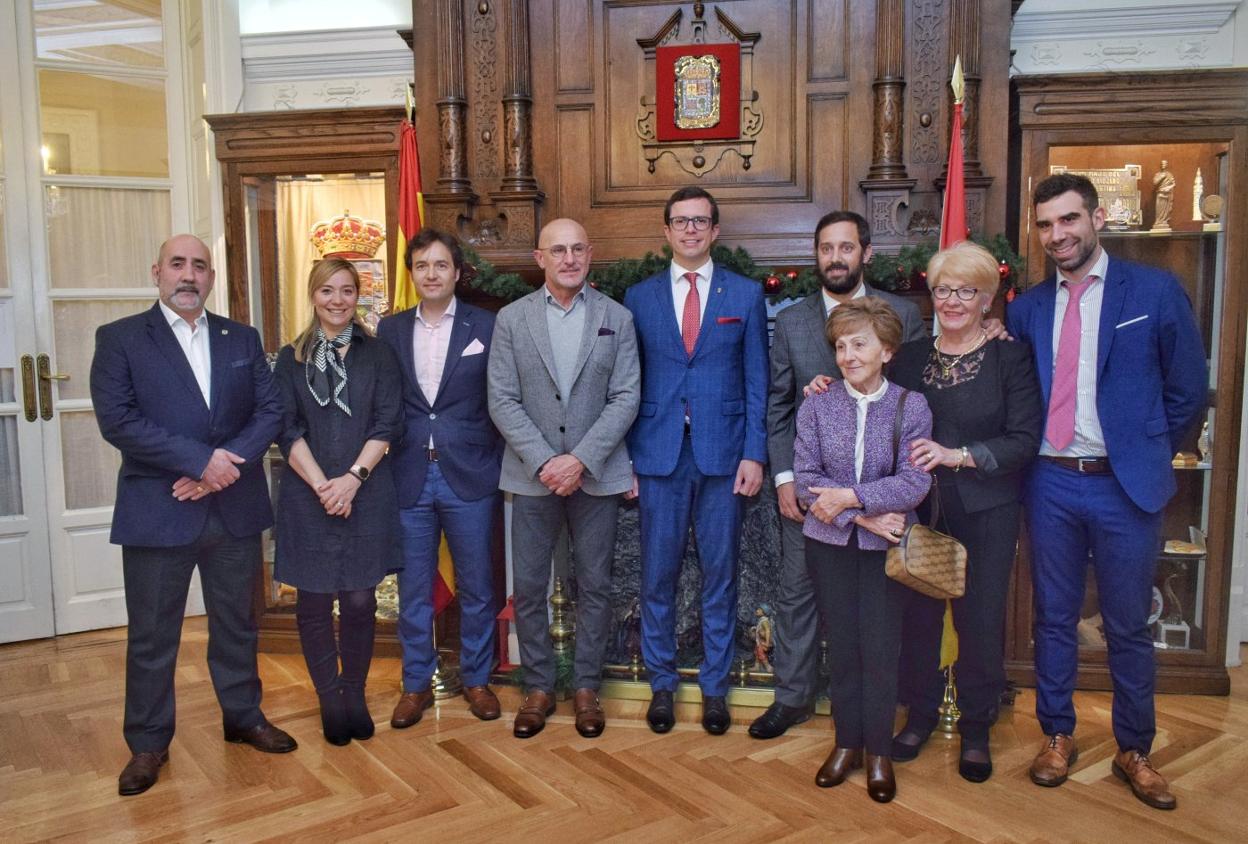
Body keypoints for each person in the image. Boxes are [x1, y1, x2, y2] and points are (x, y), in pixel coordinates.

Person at [1008, 173, 1205, 810]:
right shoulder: (1029, 308)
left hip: (1125, 486)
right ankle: (1057, 736)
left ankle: (1134, 749)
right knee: (1055, 619)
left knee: (1127, 625)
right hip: (1051, 482)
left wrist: (1144, 448)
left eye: (1068, 220)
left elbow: (1187, 390)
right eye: (1046, 225)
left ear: (1095, 219)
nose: (1057, 235)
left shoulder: (1152, 289)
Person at [90, 235, 295, 797]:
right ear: (157, 271)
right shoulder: (121, 339)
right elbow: (119, 420)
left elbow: (270, 410)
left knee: (237, 623)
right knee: (153, 635)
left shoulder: (241, 337)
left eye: (199, 266)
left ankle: (243, 717)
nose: (188, 275)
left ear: (211, 277)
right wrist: (199, 461)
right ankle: (148, 743)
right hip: (159, 508)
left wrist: (221, 467)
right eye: (177, 264)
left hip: (232, 507)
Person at [751, 210, 925, 740]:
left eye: (846, 247)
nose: (835, 257)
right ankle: (793, 697)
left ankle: (880, 713)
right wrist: (784, 480)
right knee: (797, 592)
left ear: (866, 253)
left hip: (883, 502)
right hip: (811, 492)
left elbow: (914, 400)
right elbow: (778, 405)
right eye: (826, 248)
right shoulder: (793, 319)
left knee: (880, 613)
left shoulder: (903, 315)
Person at [887, 241, 1043, 782]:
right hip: (922, 508)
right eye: (943, 289)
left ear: (987, 299)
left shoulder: (1010, 356)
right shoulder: (908, 358)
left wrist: (960, 456)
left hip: (988, 508)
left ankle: (976, 727)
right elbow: (871, 403)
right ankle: (921, 715)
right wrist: (823, 387)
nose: (952, 300)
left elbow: (1025, 438)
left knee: (979, 621)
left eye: (966, 291)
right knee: (920, 619)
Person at [487, 218, 640, 738]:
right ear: (540, 259)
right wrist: (546, 462)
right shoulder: (511, 319)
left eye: (578, 248)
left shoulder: (616, 318)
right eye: (559, 250)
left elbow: (626, 397)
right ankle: (537, 688)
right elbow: (502, 399)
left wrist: (579, 460)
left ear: (590, 253)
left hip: (595, 476)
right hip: (533, 478)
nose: (569, 258)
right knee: (529, 588)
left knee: (595, 586)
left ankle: (586, 689)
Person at [624, 186, 769, 735]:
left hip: (724, 457)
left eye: (700, 221)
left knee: (720, 575)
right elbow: (626, 385)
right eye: (680, 221)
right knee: (656, 576)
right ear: (666, 231)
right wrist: (625, 462)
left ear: (714, 230)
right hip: (656, 455)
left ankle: (715, 688)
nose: (690, 230)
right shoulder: (638, 298)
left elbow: (757, 381)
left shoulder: (746, 295)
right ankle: (662, 685)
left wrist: (755, 453)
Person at [794, 299, 931, 803]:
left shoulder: (910, 405)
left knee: (879, 649)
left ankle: (879, 753)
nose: (848, 355)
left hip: (886, 553)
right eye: (841, 345)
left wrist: (852, 499)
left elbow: (914, 483)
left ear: (887, 350)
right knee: (844, 649)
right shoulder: (817, 404)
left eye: (860, 344)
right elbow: (808, 482)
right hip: (829, 547)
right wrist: (864, 513)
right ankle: (845, 744)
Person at [272, 258, 402, 745]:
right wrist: (325, 486)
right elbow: (287, 429)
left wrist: (350, 480)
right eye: (328, 291)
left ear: (358, 297)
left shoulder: (379, 355)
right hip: (309, 496)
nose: (338, 301)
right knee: (313, 600)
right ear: (313, 295)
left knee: (359, 598)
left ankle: (354, 692)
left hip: (365, 493)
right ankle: (328, 697)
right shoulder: (291, 358)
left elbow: (388, 423)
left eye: (347, 291)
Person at [377, 229, 503, 729]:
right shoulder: (388, 331)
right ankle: (414, 685)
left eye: (441, 265)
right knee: (412, 589)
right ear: (412, 274)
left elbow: (501, 398)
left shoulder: (487, 326)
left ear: (457, 272)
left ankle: (476, 679)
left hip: (469, 475)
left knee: (477, 586)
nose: (431, 274)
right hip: (407, 475)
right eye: (422, 266)